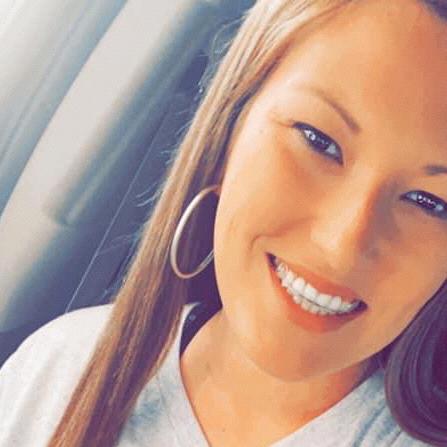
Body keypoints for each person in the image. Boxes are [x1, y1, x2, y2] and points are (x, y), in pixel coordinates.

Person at [1, 0, 447, 445]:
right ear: (228, 129)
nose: (341, 246)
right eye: (319, 141)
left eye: (429, 202)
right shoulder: (56, 371)